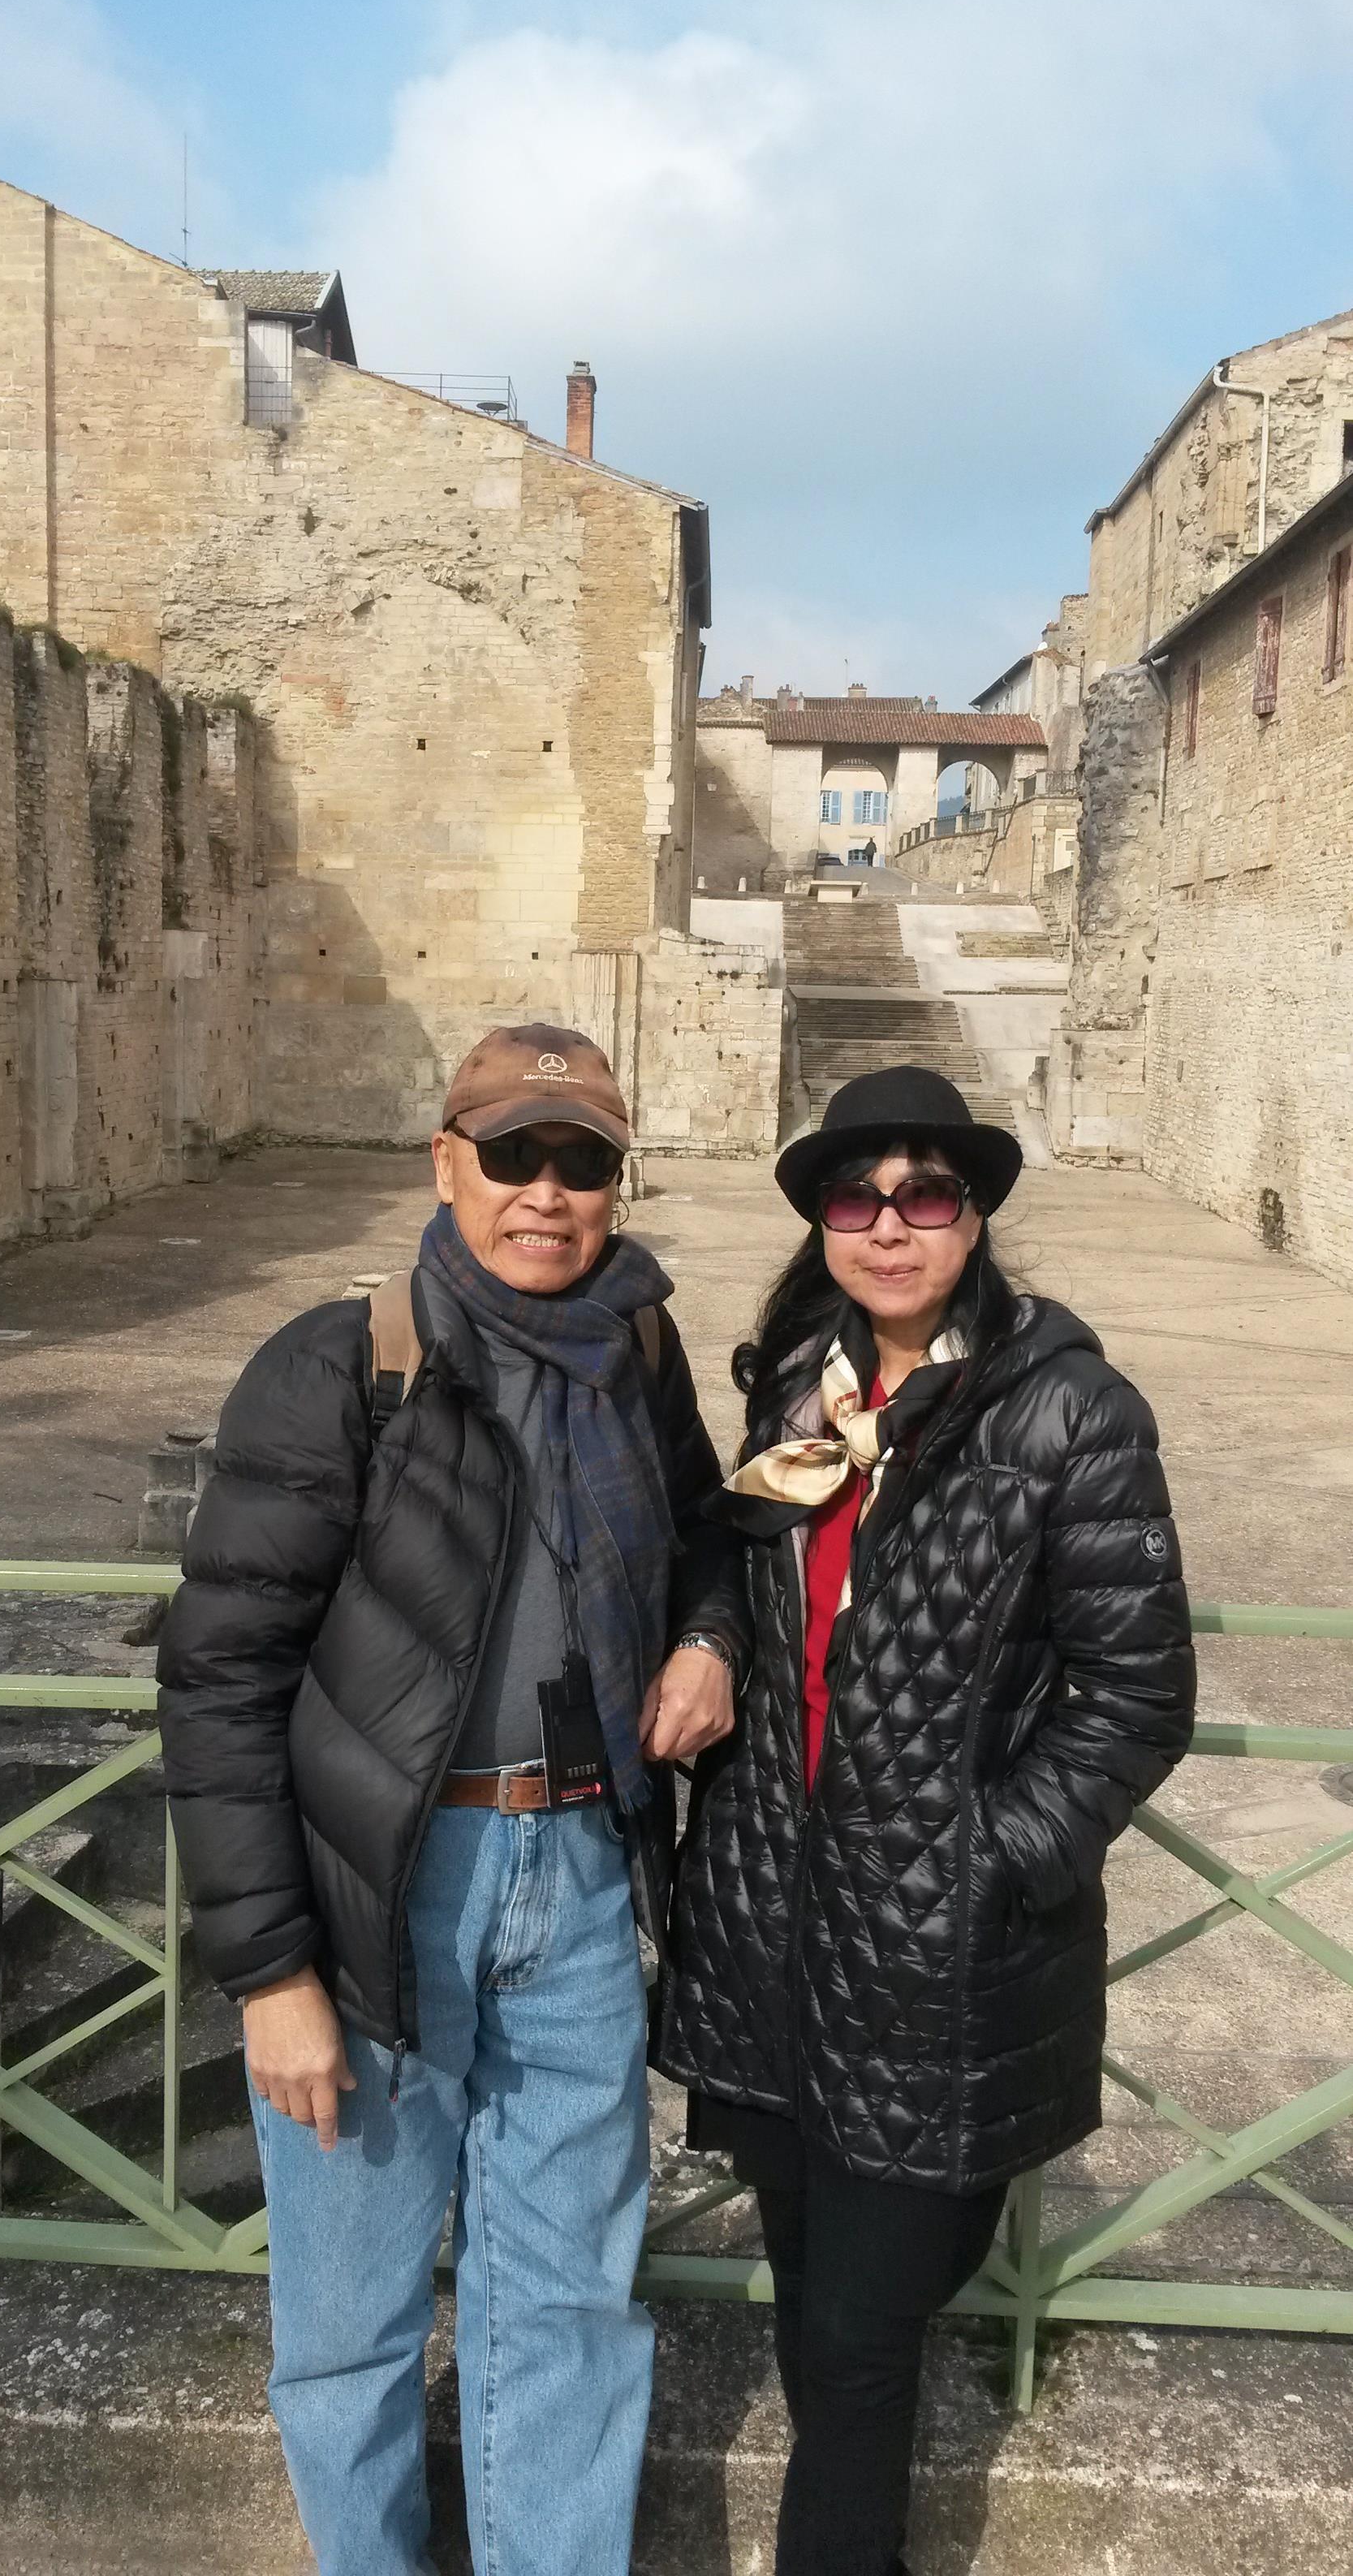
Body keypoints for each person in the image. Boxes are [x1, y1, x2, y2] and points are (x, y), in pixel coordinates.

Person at [157, 1024, 746, 2576]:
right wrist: (272, 1976)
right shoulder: (344, 1363)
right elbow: (221, 1681)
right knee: (348, 2325)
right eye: (514, 1156)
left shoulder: (640, 1351)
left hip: (584, 1866)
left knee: (569, 2301)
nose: (546, 1195)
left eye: (585, 1163)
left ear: (620, 1183)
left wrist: (702, 1635)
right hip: (376, 1897)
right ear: (446, 1164)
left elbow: (704, 1536)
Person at [657, 1064, 1196, 2576]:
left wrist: (986, 1861)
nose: (890, 1225)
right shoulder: (796, 1386)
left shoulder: (1071, 1412)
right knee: (819, 2316)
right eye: (857, 1197)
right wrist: (708, 1637)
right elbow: (730, 1563)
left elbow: (1134, 1696)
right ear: (823, 1221)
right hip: (775, 1936)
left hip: (937, 1965)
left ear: (975, 1216)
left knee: (862, 2333)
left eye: (927, 1196)